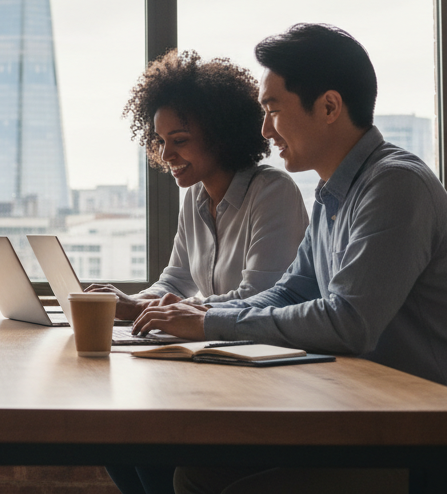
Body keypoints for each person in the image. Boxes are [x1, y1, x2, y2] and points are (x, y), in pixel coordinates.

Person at [130, 25, 447, 494]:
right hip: (374, 423)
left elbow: (348, 322)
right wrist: (204, 312)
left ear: (329, 106)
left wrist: (210, 325)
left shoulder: (394, 186)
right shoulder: (334, 194)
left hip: (442, 446)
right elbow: (293, 289)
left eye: (272, 110)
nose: (265, 128)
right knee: (193, 474)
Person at [86, 50, 308, 494]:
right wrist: (133, 304)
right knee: (109, 437)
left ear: (221, 134)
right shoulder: (195, 199)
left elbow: (259, 295)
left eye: (180, 139)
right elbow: (175, 279)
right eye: (161, 140)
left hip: (263, 381)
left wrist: (172, 312)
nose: (166, 153)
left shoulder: (272, 193)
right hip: (214, 372)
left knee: (152, 449)